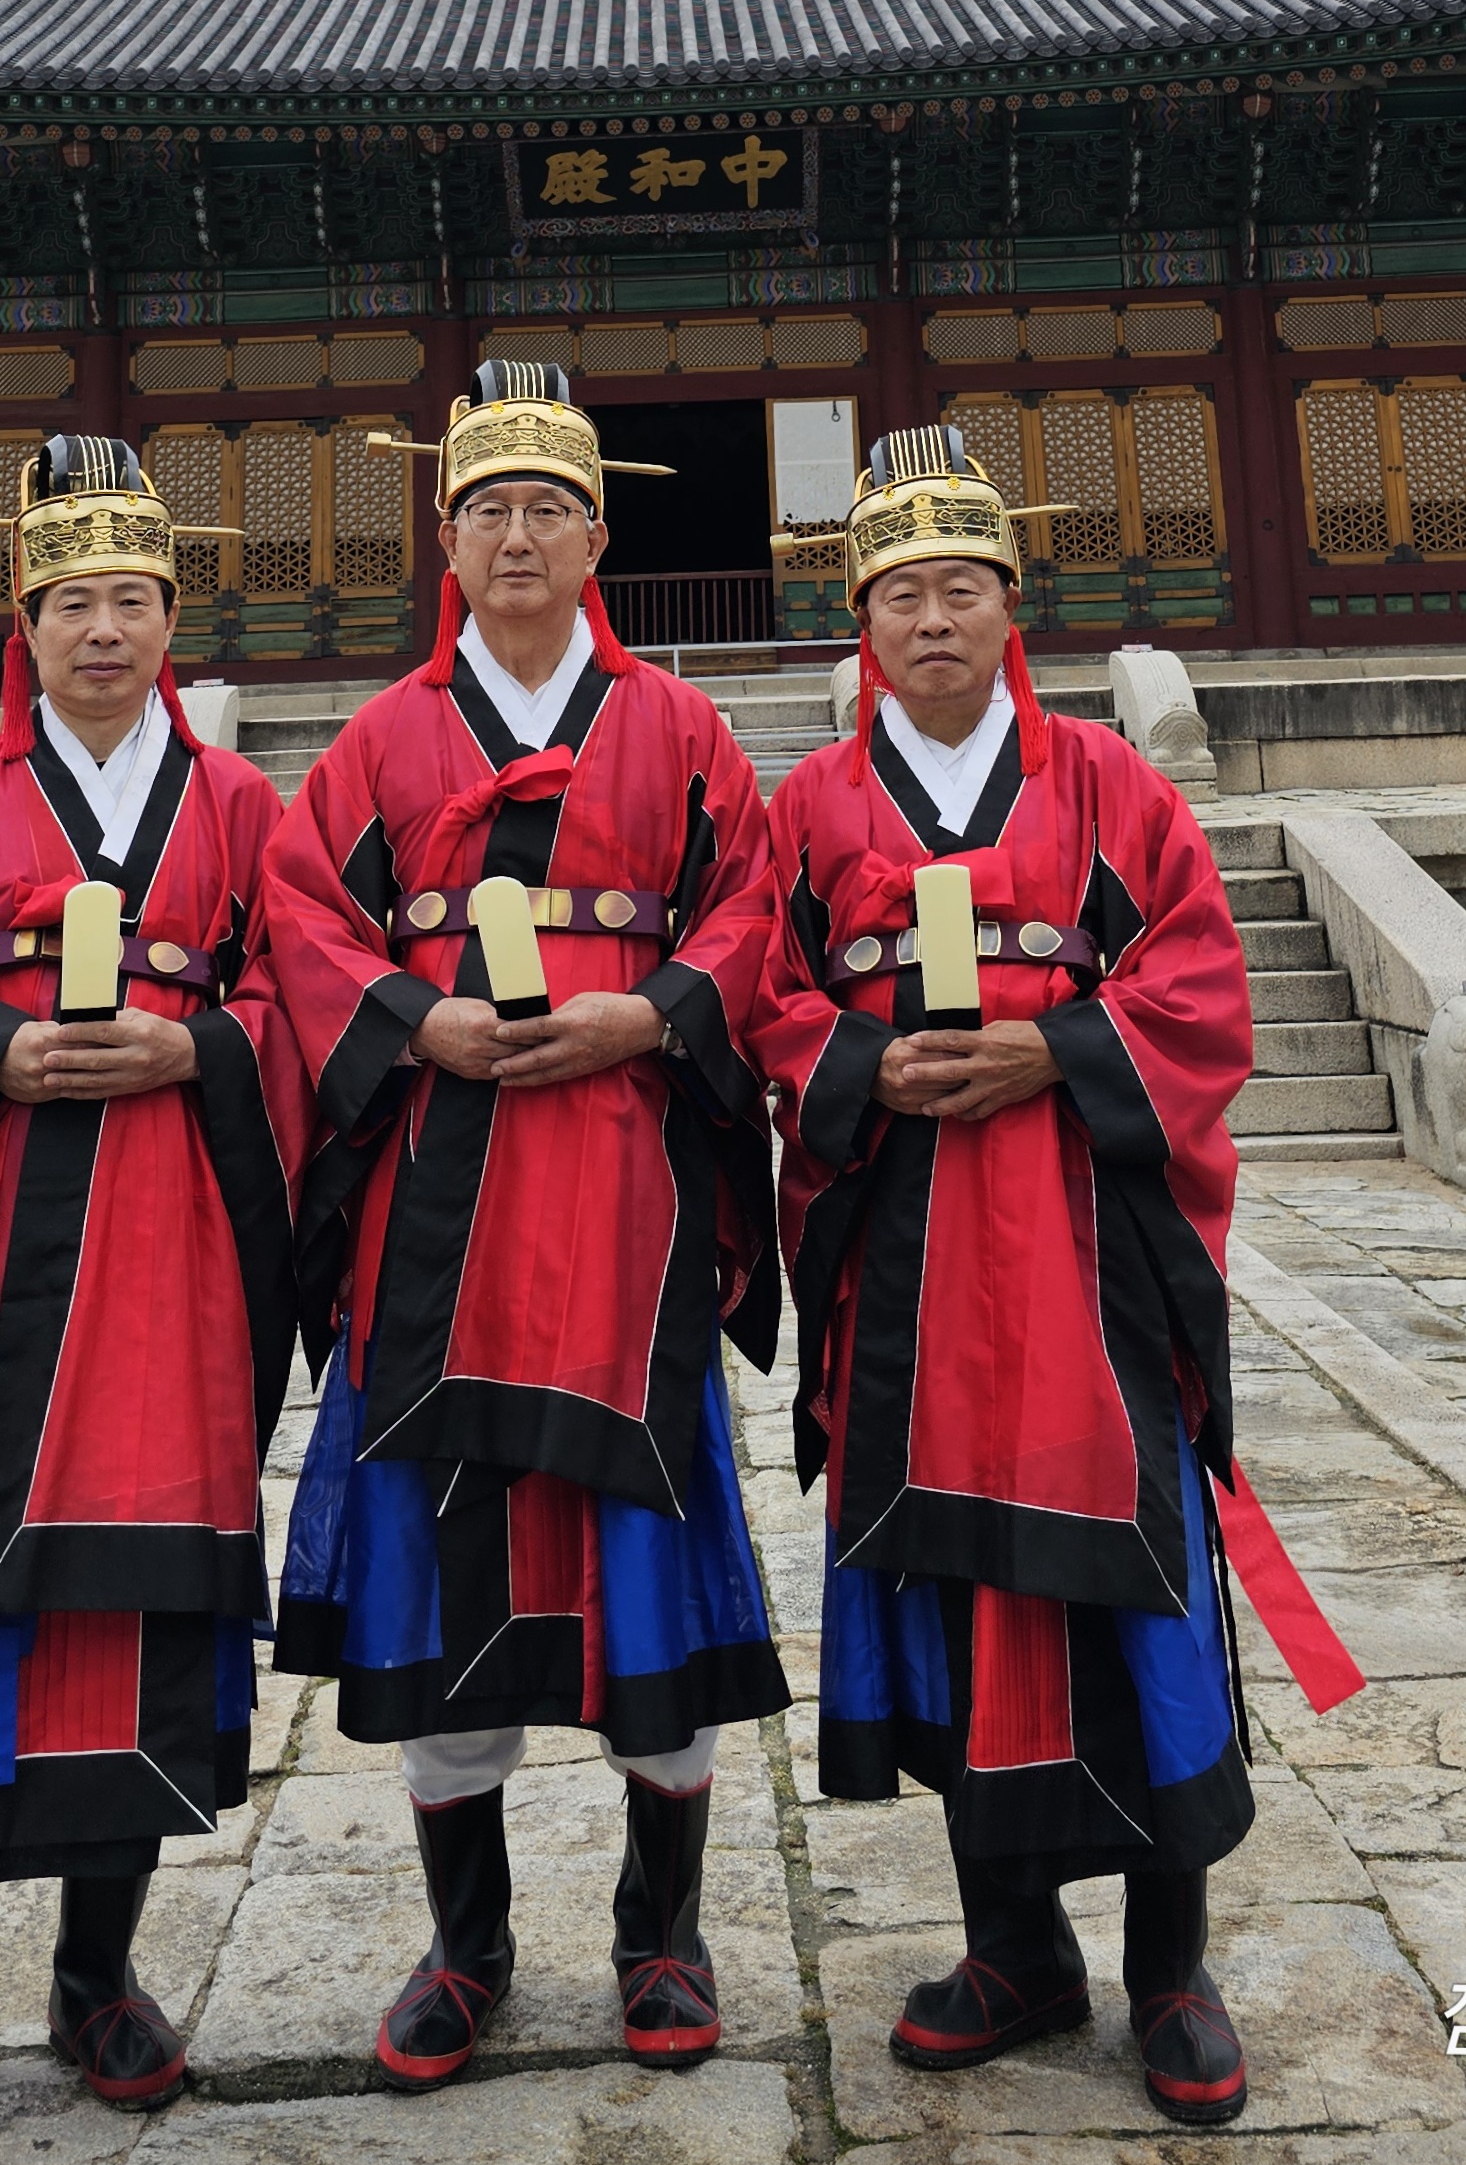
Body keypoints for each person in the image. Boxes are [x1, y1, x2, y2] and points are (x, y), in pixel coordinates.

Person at [748, 428, 1359, 2128]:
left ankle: (1171, 1964)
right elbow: (765, 996)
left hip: (1090, 1249)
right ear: (861, 620)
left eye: (962, 586)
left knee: (1131, 1577)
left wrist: (1051, 1050)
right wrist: (863, 1063)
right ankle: (1014, 1946)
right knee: (950, 1587)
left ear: (1013, 602)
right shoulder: (808, 807)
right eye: (900, 593)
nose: (932, 618)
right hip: (906, 1262)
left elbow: (1200, 985)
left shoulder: (1109, 781)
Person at [263, 363, 787, 2087]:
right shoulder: (379, 739)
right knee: (445, 1568)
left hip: (626, 1183)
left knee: (647, 1573)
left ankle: (662, 1931)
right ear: (446, 539)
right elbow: (300, 916)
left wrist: (651, 1013)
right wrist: (417, 1019)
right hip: (439, 1199)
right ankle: (466, 1942)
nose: (515, 535)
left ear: (597, 538)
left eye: (547, 508)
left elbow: (753, 904)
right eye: (486, 508)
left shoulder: (683, 728)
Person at [0, 438, 306, 2151]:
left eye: (133, 599)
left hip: (164, 1254)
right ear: (24, 621)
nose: (104, 629)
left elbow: (301, 1007)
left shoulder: (242, 813)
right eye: (73, 600)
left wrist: (198, 1046)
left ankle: (100, 1976)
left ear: (173, 618)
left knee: (134, 1615)